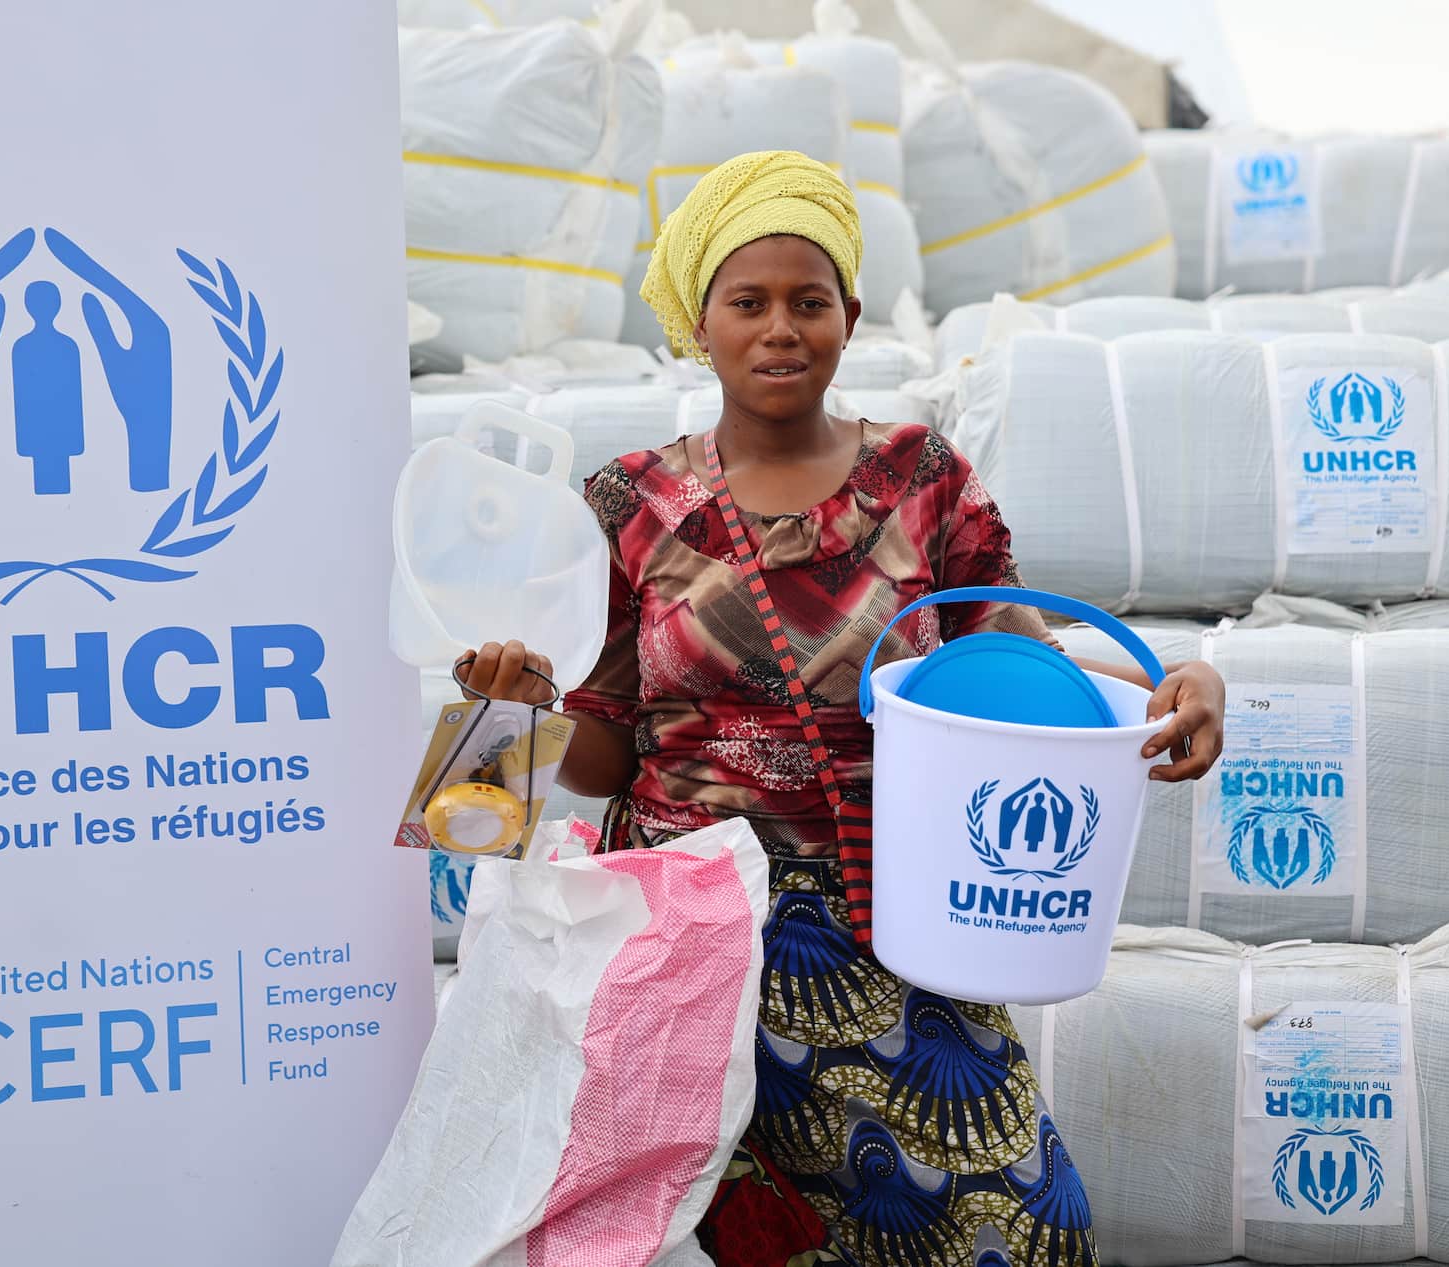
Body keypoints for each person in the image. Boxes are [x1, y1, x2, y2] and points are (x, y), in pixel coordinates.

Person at [457, 150, 1226, 1267]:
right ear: (698, 321)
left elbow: (1016, 678)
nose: (780, 328)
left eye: (807, 302)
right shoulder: (633, 503)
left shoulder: (921, 481)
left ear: (848, 317)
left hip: (887, 920)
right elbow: (605, 757)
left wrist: (1176, 684)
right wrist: (523, 709)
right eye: (748, 302)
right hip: (682, 939)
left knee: (1024, 1226)